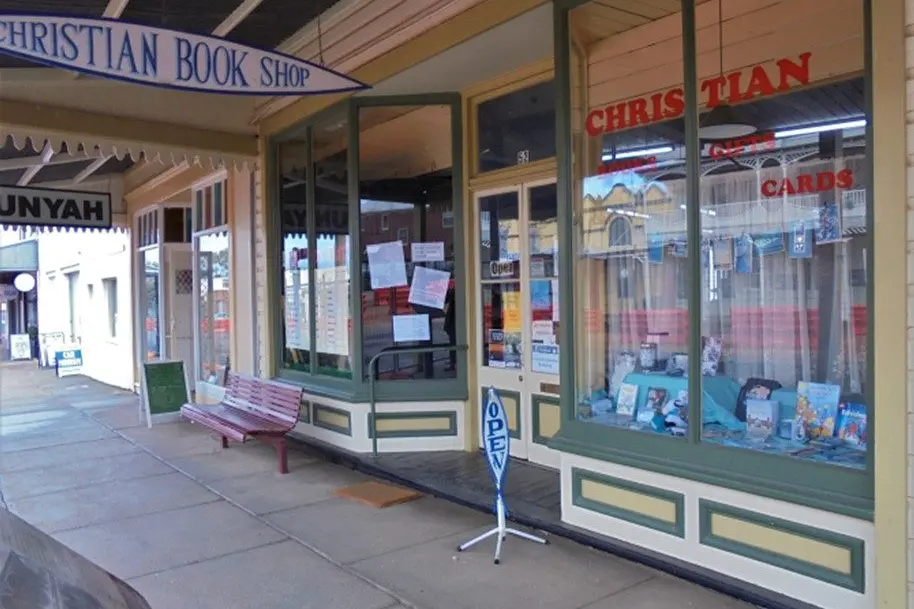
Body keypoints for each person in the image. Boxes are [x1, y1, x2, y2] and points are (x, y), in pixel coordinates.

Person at [443, 285, 457, 371]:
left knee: (453, 342)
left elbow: (447, 299)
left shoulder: (455, 291)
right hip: (453, 320)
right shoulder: (453, 290)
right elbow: (446, 299)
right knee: (452, 342)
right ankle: (453, 362)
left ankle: (453, 363)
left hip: (454, 320)